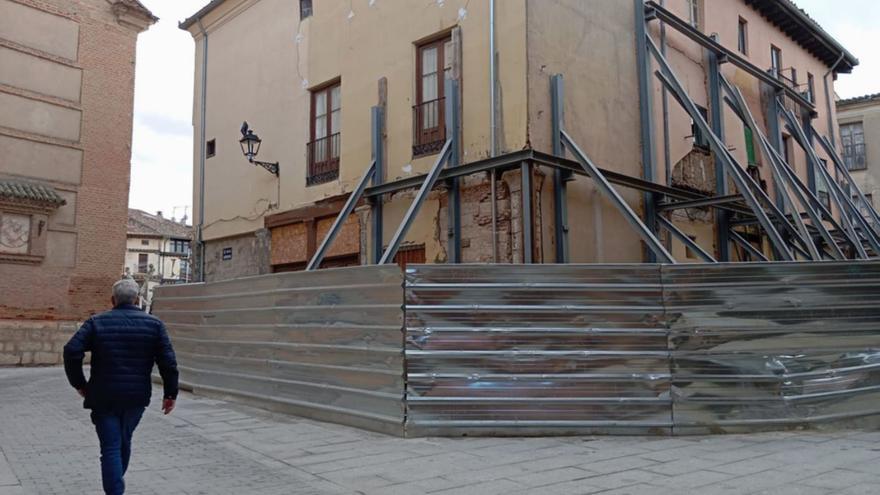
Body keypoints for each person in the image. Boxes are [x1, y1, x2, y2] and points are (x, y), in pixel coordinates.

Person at [63, 277, 179, 495]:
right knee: (121, 442)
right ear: (136, 299)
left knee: (112, 446)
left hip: (103, 396)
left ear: (112, 300)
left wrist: (79, 384)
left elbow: (71, 351)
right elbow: (168, 362)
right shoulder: (154, 325)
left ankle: (114, 488)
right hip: (136, 397)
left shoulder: (96, 322)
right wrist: (170, 393)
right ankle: (116, 487)